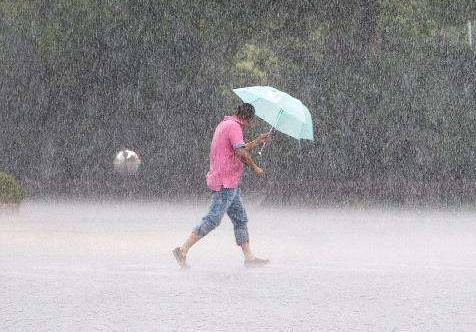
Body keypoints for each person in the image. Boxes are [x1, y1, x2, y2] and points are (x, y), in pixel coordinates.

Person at [173, 103, 270, 268]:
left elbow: (239, 148)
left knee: (240, 218)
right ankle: (183, 249)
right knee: (213, 219)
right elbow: (240, 153)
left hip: (229, 182)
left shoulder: (226, 124)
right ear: (248, 119)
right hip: (225, 183)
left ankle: (249, 258)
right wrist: (255, 168)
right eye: (251, 121)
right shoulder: (235, 128)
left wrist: (258, 141)